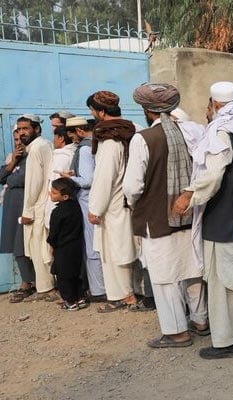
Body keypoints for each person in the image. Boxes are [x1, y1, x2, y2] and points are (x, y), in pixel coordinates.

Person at [174, 81, 233, 359]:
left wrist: (190, 195)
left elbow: (215, 174)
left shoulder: (220, 131)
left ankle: (228, 341)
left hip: (228, 219)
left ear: (216, 105)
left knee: (222, 283)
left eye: (208, 106)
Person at [127, 83, 209, 348]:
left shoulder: (143, 139)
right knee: (192, 269)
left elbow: (133, 187)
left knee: (164, 277)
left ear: (146, 110)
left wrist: (134, 203)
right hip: (191, 214)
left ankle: (176, 332)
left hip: (157, 219)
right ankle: (201, 320)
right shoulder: (192, 132)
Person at [86, 90, 140, 312]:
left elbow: (104, 177)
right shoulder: (131, 131)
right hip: (129, 201)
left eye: (92, 111)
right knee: (127, 249)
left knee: (115, 252)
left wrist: (95, 208)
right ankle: (133, 293)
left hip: (113, 203)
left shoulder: (109, 141)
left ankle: (123, 296)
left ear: (100, 112)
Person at [61, 117, 106, 301]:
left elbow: (87, 181)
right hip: (94, 200)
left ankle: (99, 290)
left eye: (72, 134)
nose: (72, 139)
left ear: (80, 131)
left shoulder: (86, 148)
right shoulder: (95, 144)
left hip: (88, 201)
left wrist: (68, 177)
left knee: (92, 247)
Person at [18, 114, 56, 302]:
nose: (22, 133)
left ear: (37, 129)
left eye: (26, 128)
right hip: (45, 202)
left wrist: (27, 211)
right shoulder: (44, 144)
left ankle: (45, 288)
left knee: (38, 247)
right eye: (20, 129)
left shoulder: (36, 149)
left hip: (38, 205)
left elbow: (34, 183)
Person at [1, 127, 36, 303]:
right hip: (12, 206)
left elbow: (19, 179)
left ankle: (28, 283)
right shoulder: (14, 158)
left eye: (21, 139)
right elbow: (2, 175)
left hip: (25, 204)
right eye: (15, 140)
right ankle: (26, 282)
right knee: (16, 245)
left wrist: (8, 177)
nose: (18, 143)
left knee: (24, 244)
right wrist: (12, 163)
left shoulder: (33, 156)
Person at [47, 178, 85, 311]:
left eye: (54, 192)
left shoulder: (57, 212)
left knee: (63, 276)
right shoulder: (76, 207)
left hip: (62, 248)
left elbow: (54, 233)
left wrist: (51, 245)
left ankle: (69, 301)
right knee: (75, 273)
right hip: (76, 246)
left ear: (65, 196)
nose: (50, 194)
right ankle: (80, 297)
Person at [45, 126, 77, 228]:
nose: (53, 141)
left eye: (55, 137)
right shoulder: (73, 153)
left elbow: (55, 184)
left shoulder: (61, 157)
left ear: (61, 138)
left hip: (59, 205)